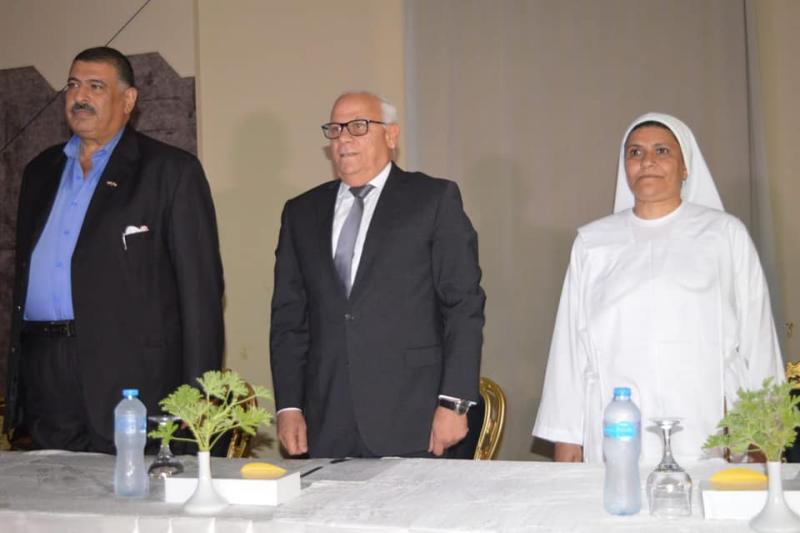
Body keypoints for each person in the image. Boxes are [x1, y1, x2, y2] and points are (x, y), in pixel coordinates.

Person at [3, 47, 225, 453]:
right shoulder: (39, 171)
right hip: (45, 371)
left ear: (128, 99)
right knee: (53, 488)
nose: (79, 96)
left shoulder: (170, 171)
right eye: (73, 85)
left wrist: (197, 399)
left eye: (95, 86)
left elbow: (201, 295)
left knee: (129, 488)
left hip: (130, 377)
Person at [533, 112, 783, 464]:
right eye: (635, 152)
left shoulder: (724, 234)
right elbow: (570, 348)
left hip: (709, 421)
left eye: (662, 151)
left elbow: (757, 335)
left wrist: (765, 430)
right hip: (617, 422)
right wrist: (567, 436)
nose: (647, 161)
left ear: (685, 167)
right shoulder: (593, 243)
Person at [270, 91, 485, 458]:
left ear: (391, 135)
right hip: (327, 421)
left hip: (415, 417)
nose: (344, 138)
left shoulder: (433, 199)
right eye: (335, 129)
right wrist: (289, 406)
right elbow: (289, 319)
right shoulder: (301, 212)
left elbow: (463, 306)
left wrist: (454, 402)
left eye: (358, 126)